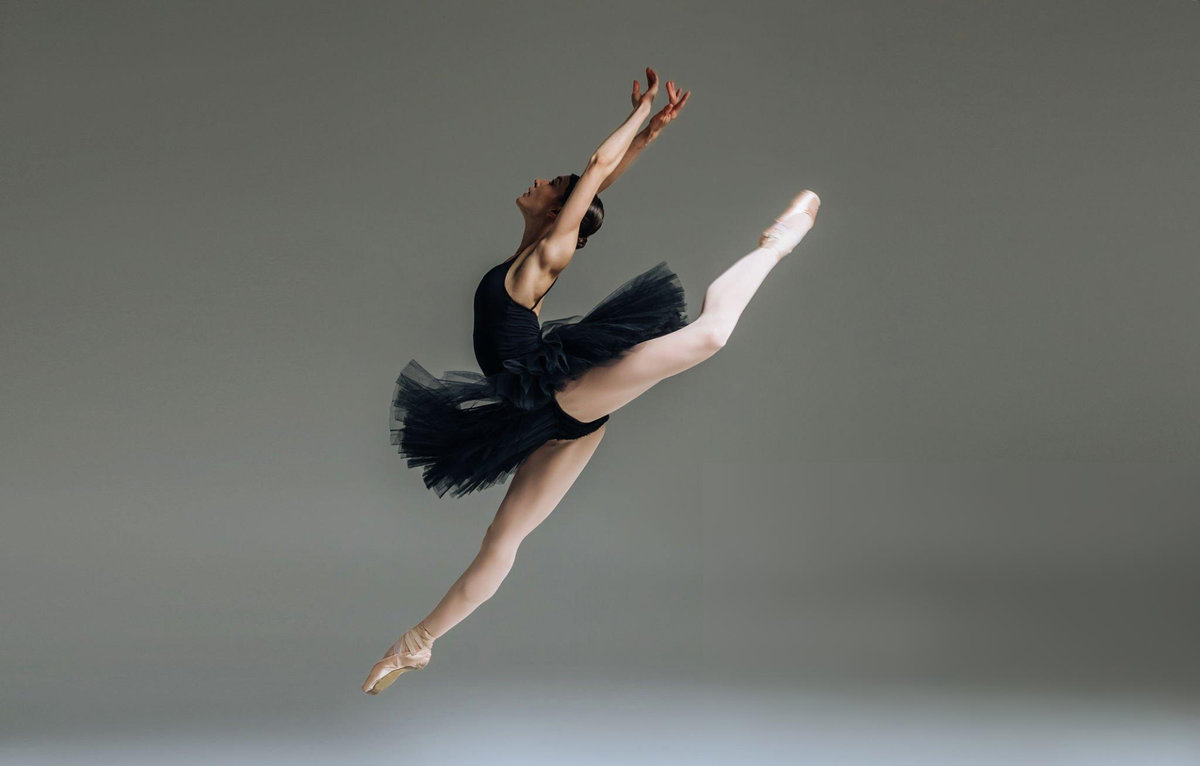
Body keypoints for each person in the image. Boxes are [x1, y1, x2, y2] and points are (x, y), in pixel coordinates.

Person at [364, 67, 820, 695]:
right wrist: (648, 137)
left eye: (550, 184)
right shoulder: (528, 250)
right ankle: (416, 646)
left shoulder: (549, 256)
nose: (539, 181)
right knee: (503, 540)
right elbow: (595, 179)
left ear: (557, 210)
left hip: (564, 393)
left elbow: (594, 172)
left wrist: (636, 117)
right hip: (550, 418)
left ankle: (774, 244)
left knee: (710, 336)